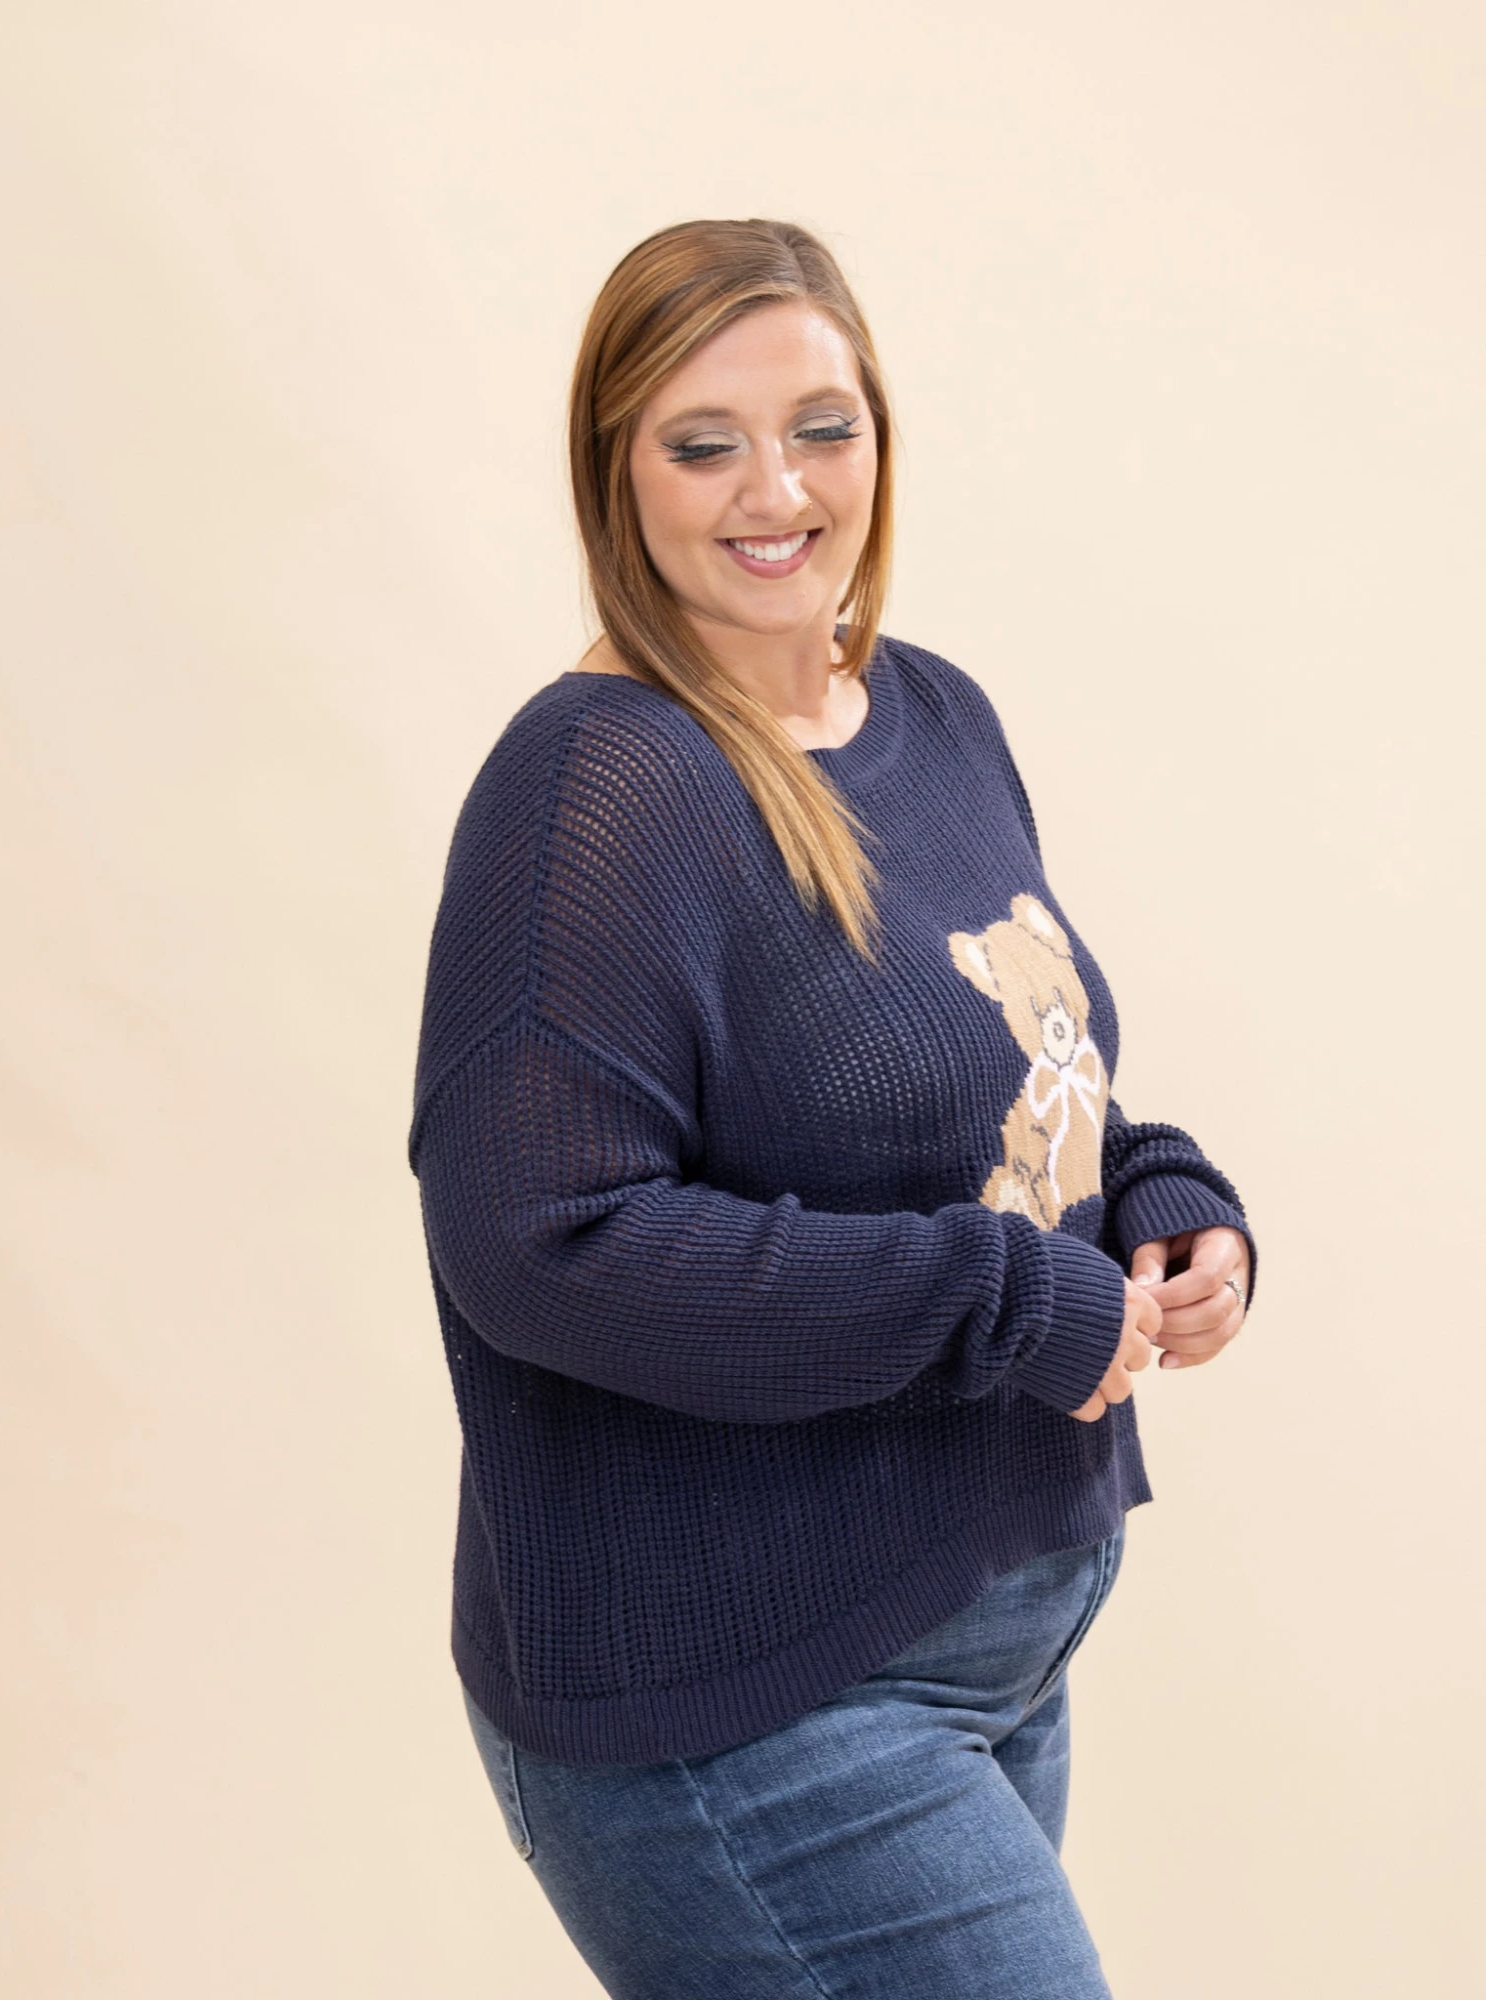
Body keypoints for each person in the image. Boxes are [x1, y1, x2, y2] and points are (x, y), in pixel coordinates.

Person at [408, 218, 1255, 2000]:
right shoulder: (598, 785)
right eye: (701, 444)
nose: (776, 491)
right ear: (616, 475)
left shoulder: (931, 714)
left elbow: (989, 1076)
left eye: (821, 427)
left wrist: (1160, 1195)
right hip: (753, 1702)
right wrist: (1010, 1300)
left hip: (989, 1634)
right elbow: (538, 1243)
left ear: (881, 433)